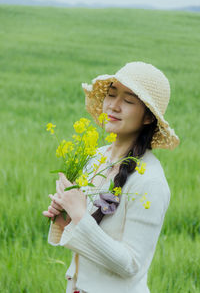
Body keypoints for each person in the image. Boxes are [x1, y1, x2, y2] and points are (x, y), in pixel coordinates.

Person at [42, 61, 180, 293]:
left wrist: (79, 214)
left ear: (148, 117)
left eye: (127, 101)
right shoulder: (96, 158)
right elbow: (92, 233)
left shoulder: (150, 181)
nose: (113, 106)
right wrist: (66, 220)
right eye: (111, 94)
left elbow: (131, 265)